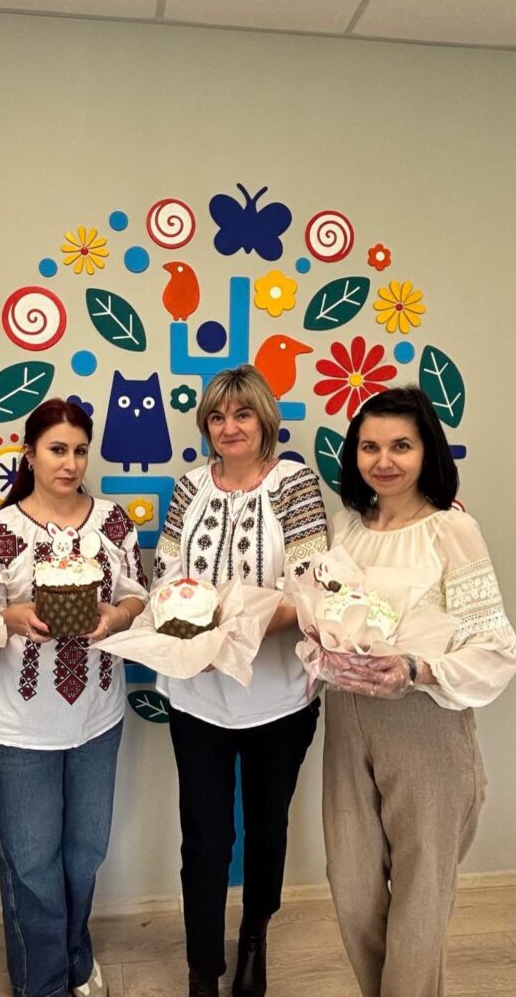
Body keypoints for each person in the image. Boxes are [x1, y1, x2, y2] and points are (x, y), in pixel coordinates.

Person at [323, 387, 516, 997]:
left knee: (420, 897)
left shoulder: (452, 531)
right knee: (352, 887)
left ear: (426, 451)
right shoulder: (345, 528)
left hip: (426, 726)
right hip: (346, 720)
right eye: (370, 447)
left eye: (401, 446)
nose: (383, 460)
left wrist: (415, 669)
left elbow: (496, 648)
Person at [153, 365, 329, 997]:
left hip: (279, 695)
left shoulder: (295, 484)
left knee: (267, 824)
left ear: (265, 420)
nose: (229, 427)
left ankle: (255, 934)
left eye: (242, 414)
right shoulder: (189, 487)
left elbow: (312, 587)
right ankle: (203, 964)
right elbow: (165, 574)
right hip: (197, 693)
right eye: (217, 417)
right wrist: (191, 635)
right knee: (205, 835)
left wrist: (234, 634)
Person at [0, 398, 148, 997]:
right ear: (30, 455)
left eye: (79, 451)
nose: (70, 463)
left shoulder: (113, 523)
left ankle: (75, 957)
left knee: (84, 853)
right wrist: (9, 617)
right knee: (31, 862)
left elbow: (139, 593)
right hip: (19, 725)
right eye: (57, 450)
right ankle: (39, 982)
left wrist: (117, 616)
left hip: (98, 715)